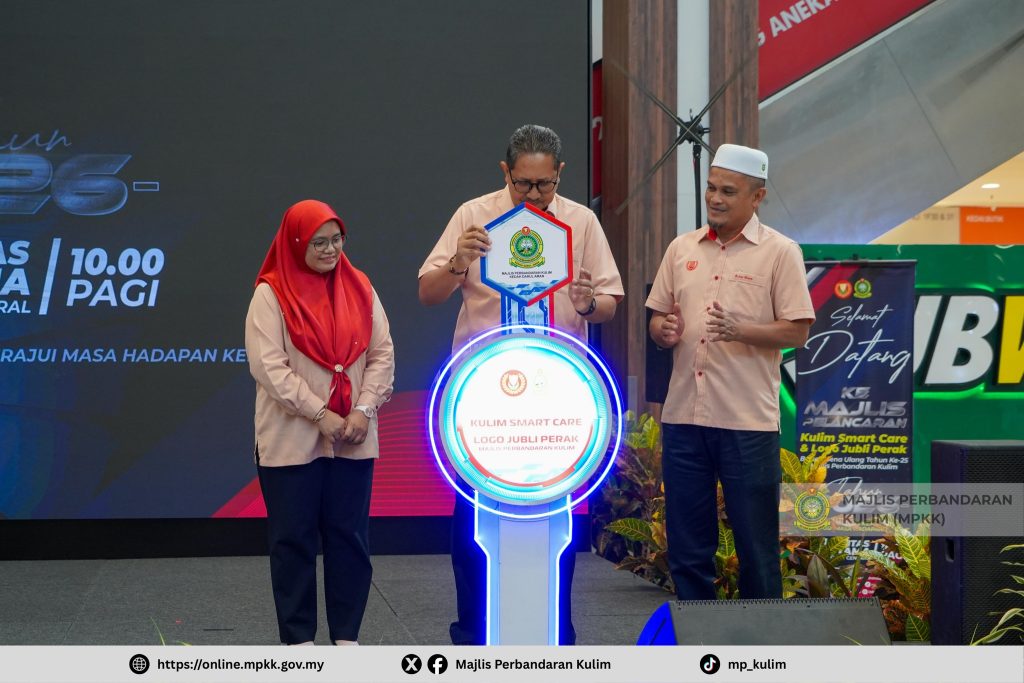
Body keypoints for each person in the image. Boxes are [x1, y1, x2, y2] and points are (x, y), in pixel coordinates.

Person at [418, 124, 623, 644]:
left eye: (544, 185)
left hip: (559, 396)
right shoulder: (473, 215)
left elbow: (609, 302)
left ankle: (554, 634)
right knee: (475, 517)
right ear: (505, 172)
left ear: (560, 174)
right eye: (523, 184)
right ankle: (473, 634)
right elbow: (428, 293)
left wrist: (588, 304)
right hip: (483, 396)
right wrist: (459, 262)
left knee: (553, 519)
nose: (534, 195)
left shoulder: (581, 221)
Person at [646, 144, 814, 601]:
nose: (715, 199)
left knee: (756, 550)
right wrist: (663, 330)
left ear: (757, 197)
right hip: (684, 419)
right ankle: (696, 637)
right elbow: (658, 319)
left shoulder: (781, 252)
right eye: (711, 188)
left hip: (746, 424)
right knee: (687, 548)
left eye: (728, 191)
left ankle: (762, 643)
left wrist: (742, 330)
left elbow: (798, 331)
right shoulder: (681, 248)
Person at [245, 199, 395, 645]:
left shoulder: (360, 286)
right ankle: (299, 644)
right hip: (291, 441)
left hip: (353, 436)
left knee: (350, 539)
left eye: (337, 240)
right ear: (295, 243)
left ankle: (347, 639)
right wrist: (320, 414)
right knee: (293, 541)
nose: (331, 250)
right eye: (318, 243)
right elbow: (269, 367)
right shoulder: (270, 294)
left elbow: (382, 355)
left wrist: (363, 410)